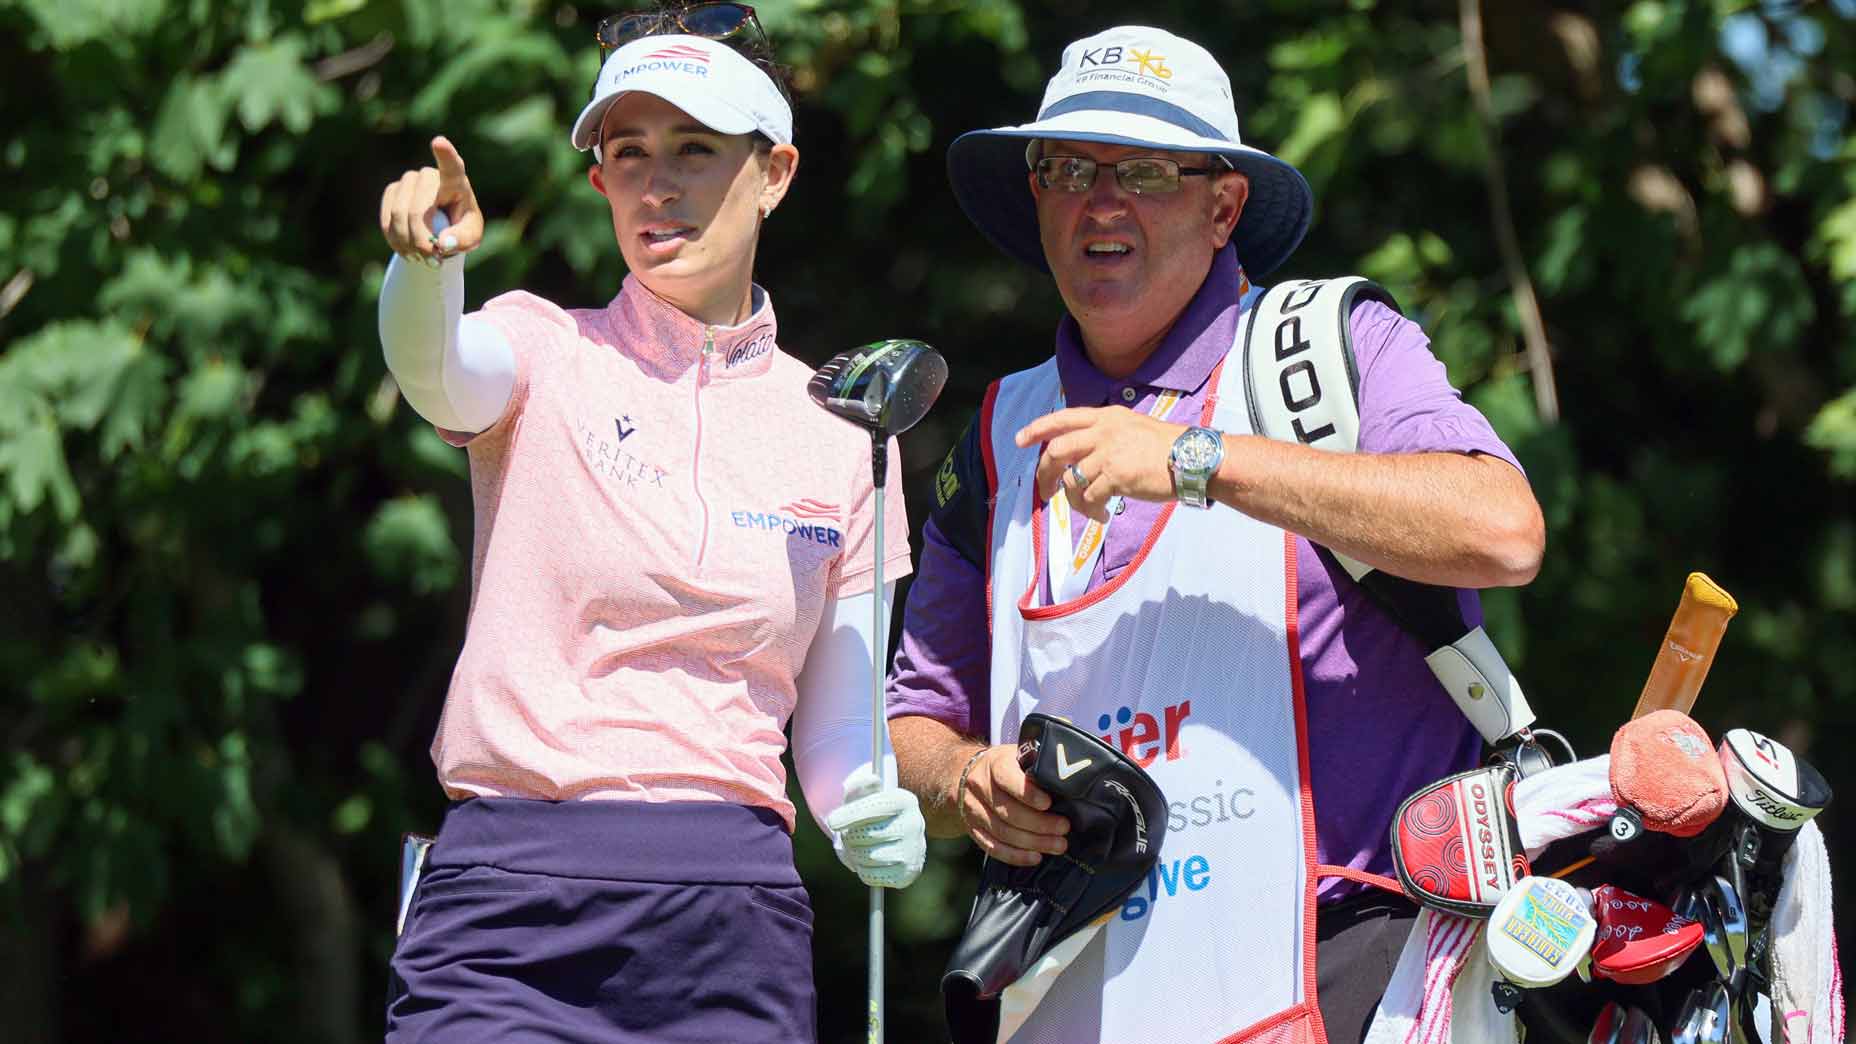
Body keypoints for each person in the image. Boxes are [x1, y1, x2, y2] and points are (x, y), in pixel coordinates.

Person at [888, 24, 1547, 1044]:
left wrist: (1200, 459)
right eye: (1068, 167)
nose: (1100, 202)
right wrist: (964, 782)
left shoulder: (1326, 349)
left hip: (1351, 968)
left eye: (1144, 172)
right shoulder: (992, 440)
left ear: (1221, 205)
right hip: (1083, 993)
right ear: (1036, 194)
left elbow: (1500, 532)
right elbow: (911, 729)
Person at [373, 5, 926, 1040]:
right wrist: (426, 269)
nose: (656, 185)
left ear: (775, 173)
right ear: (598, 182)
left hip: (730, 926)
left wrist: (864, 804)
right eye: (628, 154)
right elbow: (435, 371)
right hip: (508, 909)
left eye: (695, 150)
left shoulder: (845, 433)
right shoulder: (541, 348)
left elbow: (838, 723)